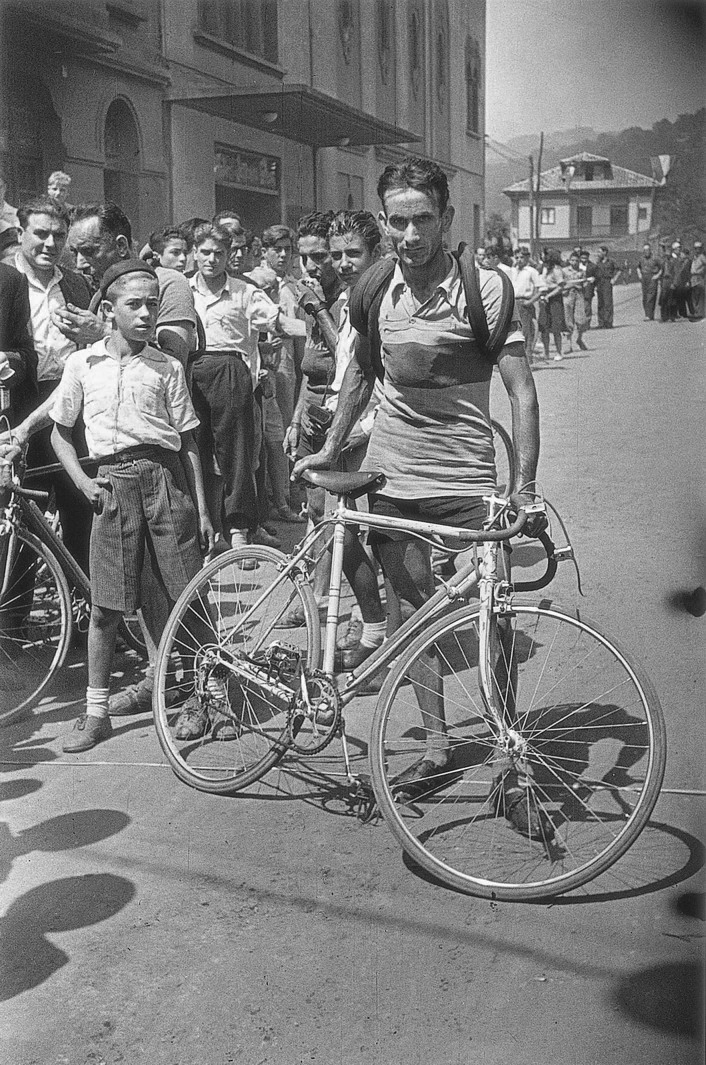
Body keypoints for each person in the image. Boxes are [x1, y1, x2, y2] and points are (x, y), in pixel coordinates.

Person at [293, 156, 544, 831]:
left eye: (423, 219)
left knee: (490, 617)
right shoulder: (375, 286)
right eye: (397, 221)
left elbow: (521, 391)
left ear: (447, 218)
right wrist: (332, 445)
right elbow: (360, 372)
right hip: (393, 475)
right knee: (415, 614)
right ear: (384, 220)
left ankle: (509, 759)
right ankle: (436, 747)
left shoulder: (484, 288)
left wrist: (523, 488)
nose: (410, 234)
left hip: (465, 477)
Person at [49, 259, 214, 752]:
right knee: (106, 607)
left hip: (165, 483)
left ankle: (203, 697)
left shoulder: (167, 367)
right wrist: (83, 483)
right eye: (134, 304)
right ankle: (96, 713)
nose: (145, 314)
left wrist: (202, 509)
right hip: (111, 487)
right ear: (108, 309)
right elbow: (60, 433)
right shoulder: (82, 365)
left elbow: (188, 442)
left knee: (185, 596)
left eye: (152, 305)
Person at [283, 210, 386, 667]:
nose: (339, 264)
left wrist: (354, 430)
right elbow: (335, 368)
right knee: (333, 523)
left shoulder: (371, 299)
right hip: (337, 423)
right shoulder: (345, 298)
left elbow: (375, 377)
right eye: (335, 255)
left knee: (373, 533)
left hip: (369, 427)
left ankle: (373, 632)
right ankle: (367, 627)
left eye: (350, 255)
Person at [188, 222, 298, 556]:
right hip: (192, 372)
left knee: (236, 456)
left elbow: (279, 323)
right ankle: (208, 533)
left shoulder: (244, 291)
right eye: (205, 252)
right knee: (198, 453)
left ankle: (238, 529)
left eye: (219, 253)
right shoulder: (182, 290)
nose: (211, 260)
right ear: (195, 253)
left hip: (232, 373)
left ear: (228, 255)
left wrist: (317, 326)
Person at [14, 196, 92, 569]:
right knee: (21, 510)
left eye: (58, 236)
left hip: (69, 403)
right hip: (20, 401)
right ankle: (17, 603)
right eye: (41, 234)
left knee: (79, 507)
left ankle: (82, 600)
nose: (50, 244)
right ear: (20, 233)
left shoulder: (75, 284)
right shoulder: (5, 281)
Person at [508, 246, 541, 359]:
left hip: (524, 303)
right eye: (517, 257)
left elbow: (541, 289)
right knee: (513, 331)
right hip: (513, 302)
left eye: (522, 257)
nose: (519, 260)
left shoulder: (531, 271)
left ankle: (527, 356)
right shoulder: (512, 270)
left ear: (527, 258)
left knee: (526, 331)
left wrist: (530, 302)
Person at [537, 248, 566, 360]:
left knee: (556, 327)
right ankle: (546, 352)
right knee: (544, 326)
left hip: (555, 299)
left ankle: (559, 352)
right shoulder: (544, 269)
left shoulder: (556, 270)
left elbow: (560, 286)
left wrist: (549, 296)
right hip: (544, 298)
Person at [561, 250, 589, 351]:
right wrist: (569, 285)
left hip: (578, 295)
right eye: (572, 260)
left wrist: (586, 282)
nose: (574, 262)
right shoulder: (564, 271)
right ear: (569, 261)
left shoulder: (581, 272)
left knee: (581, 320)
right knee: (568, 320)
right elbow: (561, 284)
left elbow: (584, 284)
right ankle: (568, 344)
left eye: (576, 260)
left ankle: (579, 338)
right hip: (567, 295)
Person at [594, 245, 622, 328]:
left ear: (605, 252)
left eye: (599, 252)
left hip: (607, 282)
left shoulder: (611, 261)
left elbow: (619, 269)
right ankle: (601, 323)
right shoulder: (598, 262)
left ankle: (608, 322)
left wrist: (614, 279)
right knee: (600, 303)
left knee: (608, 303)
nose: (598, 254)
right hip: (599, 282)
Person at [636, 242, 662, 321]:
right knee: (645, 297)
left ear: (650, 250)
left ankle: (649, 315)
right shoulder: (641, 258)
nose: (646, 251)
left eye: (647, 250)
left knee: (651, 296)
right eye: (645, 250)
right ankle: (649, 314)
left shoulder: (655, 258)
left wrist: (657, 275)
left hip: (652, 277)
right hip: (644, 278)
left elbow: (662, 267)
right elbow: (638, 267)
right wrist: (639, 274)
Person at [689, 240, 705, 320]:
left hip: (699, 277)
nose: (697, 250)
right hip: (693, 278)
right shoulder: (695, 257)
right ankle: (696, 312)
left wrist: (702, 270)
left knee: (700, 296)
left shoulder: (702, 257)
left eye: (698, 248)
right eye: (695, 248)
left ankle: (700, 313)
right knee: (694, 296)